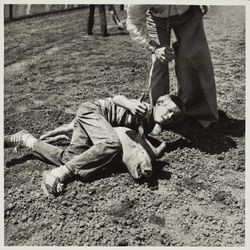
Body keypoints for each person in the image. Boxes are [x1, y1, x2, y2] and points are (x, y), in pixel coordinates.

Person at [4, 94, 182, 197]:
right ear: (158, 103)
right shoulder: (145, 109)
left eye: (174, 116)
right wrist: (130, 104)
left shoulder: (149, 125)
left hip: (93, 119)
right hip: (93, 111)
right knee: (111, 144)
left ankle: (26, 140)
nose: (169, 117)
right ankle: (60, 174)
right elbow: (117, 98)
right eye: (169, 111)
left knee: (72, 158)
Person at [126, 5, 219, 130]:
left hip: (188, 12)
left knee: (195, 58)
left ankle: (196, 113)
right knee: (160, 62)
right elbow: (133, 22)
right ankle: (156, 114)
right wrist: (154, 47)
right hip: (156, 17)